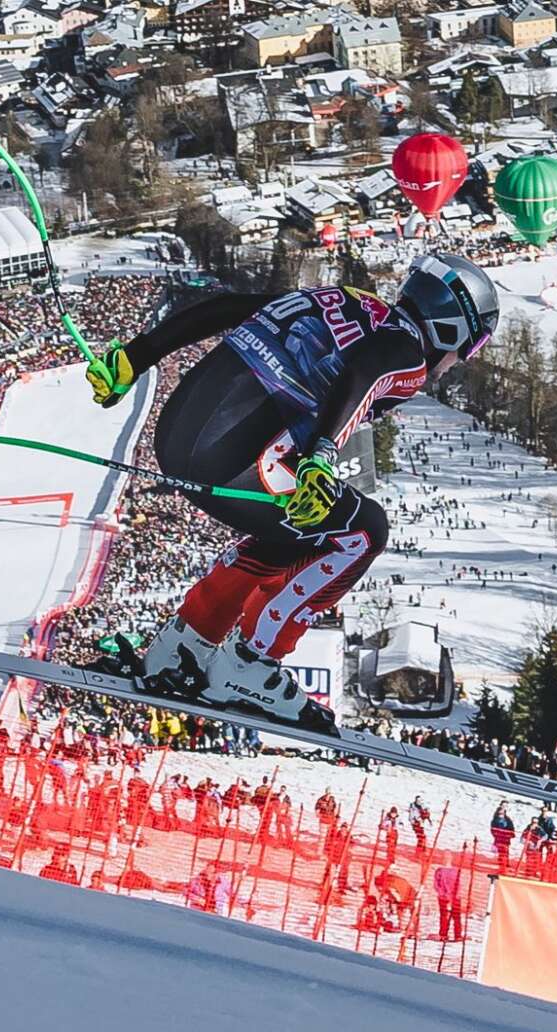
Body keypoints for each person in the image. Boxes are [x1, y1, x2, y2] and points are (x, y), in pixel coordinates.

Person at [87, 255, 501, 724]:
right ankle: (251, 662)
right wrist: (322, 456)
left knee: (299, 526)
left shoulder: (346, 301)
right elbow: (365, 372)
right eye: (473, 344)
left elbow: (225, 307)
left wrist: (137, 356)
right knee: (364, 531)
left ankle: (187, 640)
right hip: (231, 463)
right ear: (452, 327)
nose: (463, 360)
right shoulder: (407, 355)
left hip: (176, 438)